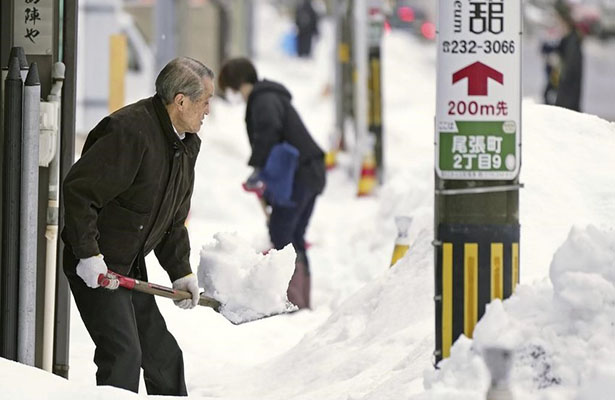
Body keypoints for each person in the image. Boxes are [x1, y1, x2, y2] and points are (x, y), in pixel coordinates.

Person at [61, 57, 214, 395]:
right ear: (181, 101)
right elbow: (80, 192)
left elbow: (172, 220)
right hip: (96, 263)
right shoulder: (129, 131)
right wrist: (87, 254)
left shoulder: (185, 145)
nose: (208, 110)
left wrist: (181, 272)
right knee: (123, 355)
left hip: (128, 263)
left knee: (163, 356)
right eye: (205, 101)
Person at [217, 57, 326, 310]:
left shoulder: (263, 99)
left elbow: (268, 130)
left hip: (300, 174)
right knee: (292, 234)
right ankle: (299, 300)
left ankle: (293, 300)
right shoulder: (269, 96)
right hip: (307, 172)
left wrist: (257, 168)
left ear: (238, 83)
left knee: (283, 234)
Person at [554, 0, 583, 111]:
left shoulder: (572, 41)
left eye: (559, 21)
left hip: (568, 102)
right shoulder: (568, 40)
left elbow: (569, 72)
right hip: (566, 98)